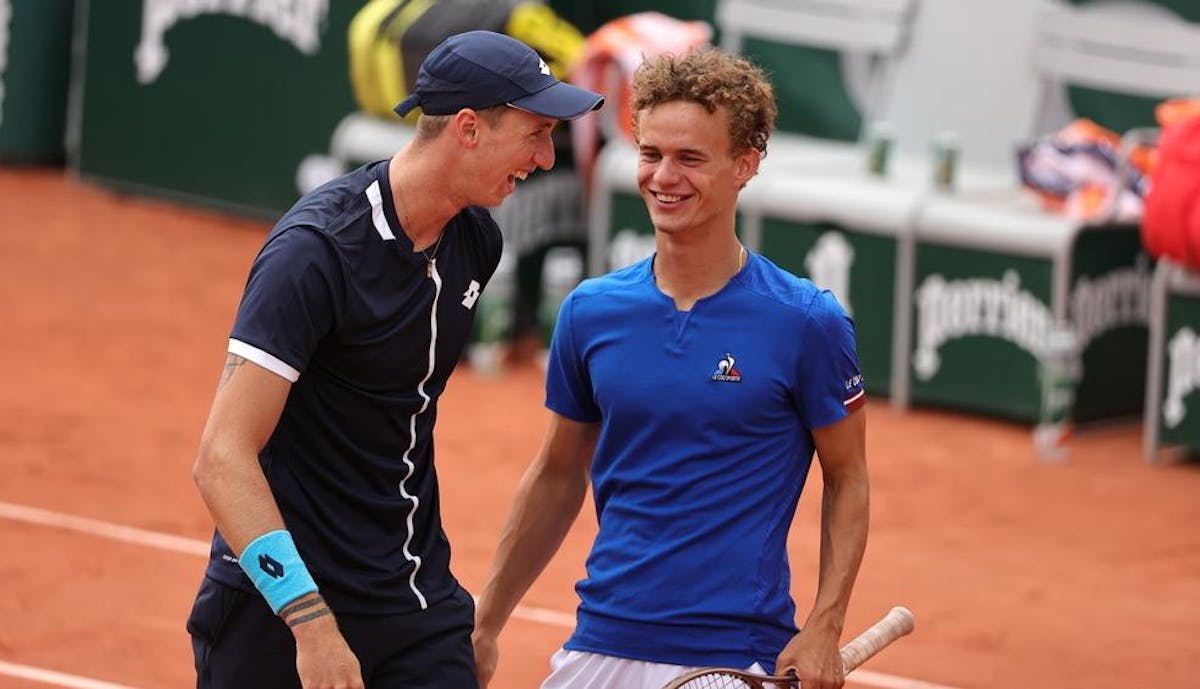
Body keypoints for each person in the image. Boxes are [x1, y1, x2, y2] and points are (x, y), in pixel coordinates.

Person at [185, 30, 602, 689]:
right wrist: (312, 624)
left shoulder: (475, 241)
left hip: (409, 593)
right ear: (468, 127)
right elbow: (221, 456)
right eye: (535, 132)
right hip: (284, 601)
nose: (545, 158)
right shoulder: (315, 252)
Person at [472, 47, 869, 689]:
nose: (664, 177)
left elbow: (847, 478)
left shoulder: (807, 322)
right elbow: (555, 473)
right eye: (651, 154)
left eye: (690, 159)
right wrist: (485, 623)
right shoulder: (591, 312)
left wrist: (825, 623)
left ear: (745, 165)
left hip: (732, 653)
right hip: (599, 642)